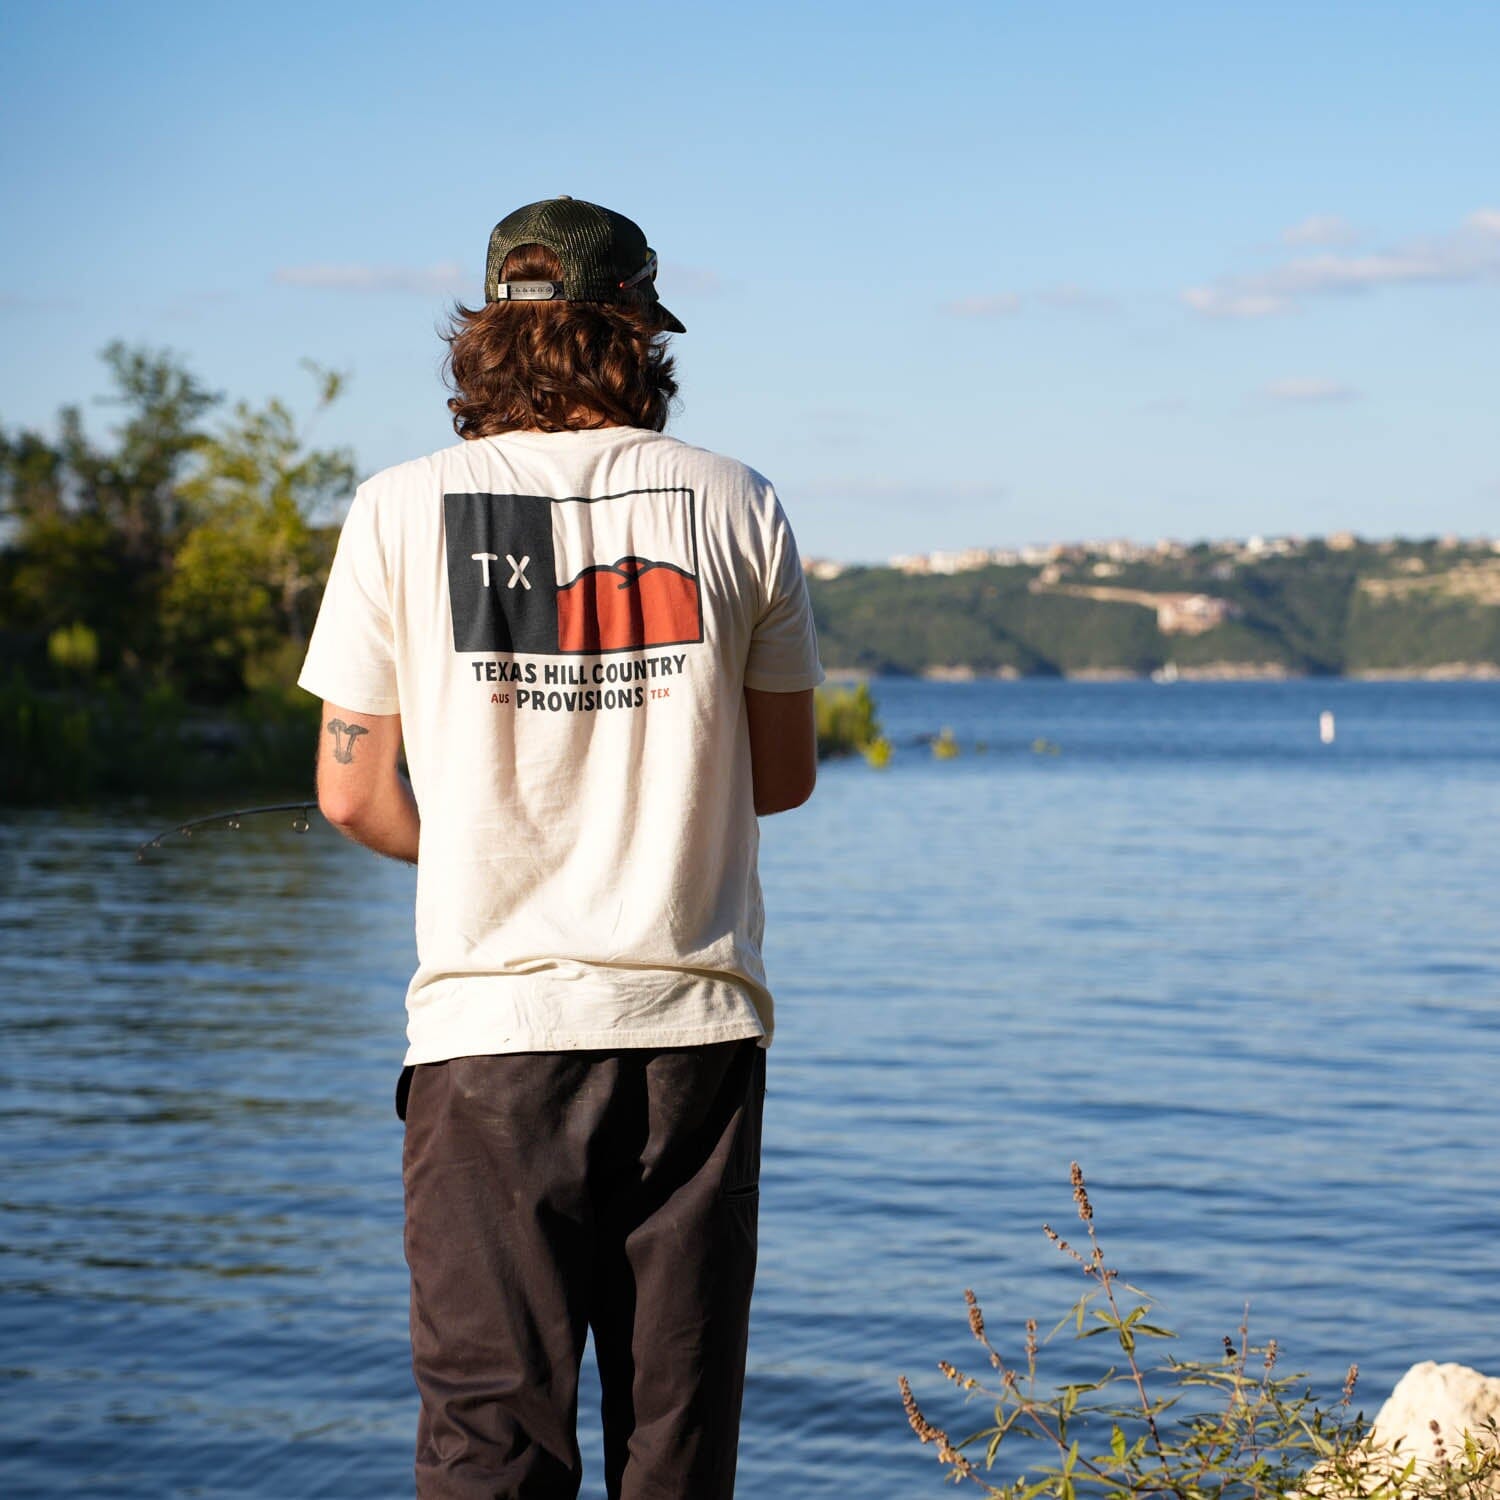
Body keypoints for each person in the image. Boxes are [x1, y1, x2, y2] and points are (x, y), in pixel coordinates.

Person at [296, 195, 823, 1500]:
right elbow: (787, 776)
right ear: (636, 333)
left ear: (488, 333)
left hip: (486, 1046)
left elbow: (353, 796)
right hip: (692, 1033)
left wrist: (487, 847)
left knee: (490, 1452)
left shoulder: (397, 508)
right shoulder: (738, 504)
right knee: (676, 1452)